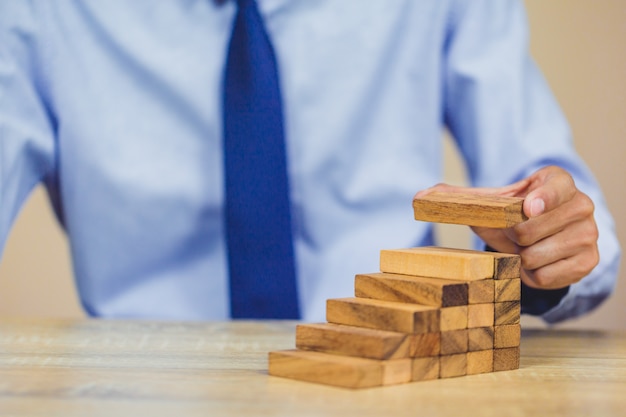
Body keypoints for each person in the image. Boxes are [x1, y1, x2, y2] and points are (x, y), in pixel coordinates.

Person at [0, 0, 620, 322]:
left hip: (391, 375)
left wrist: (546, 243)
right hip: (137, 387)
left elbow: (563, 212)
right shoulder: (34, 14)